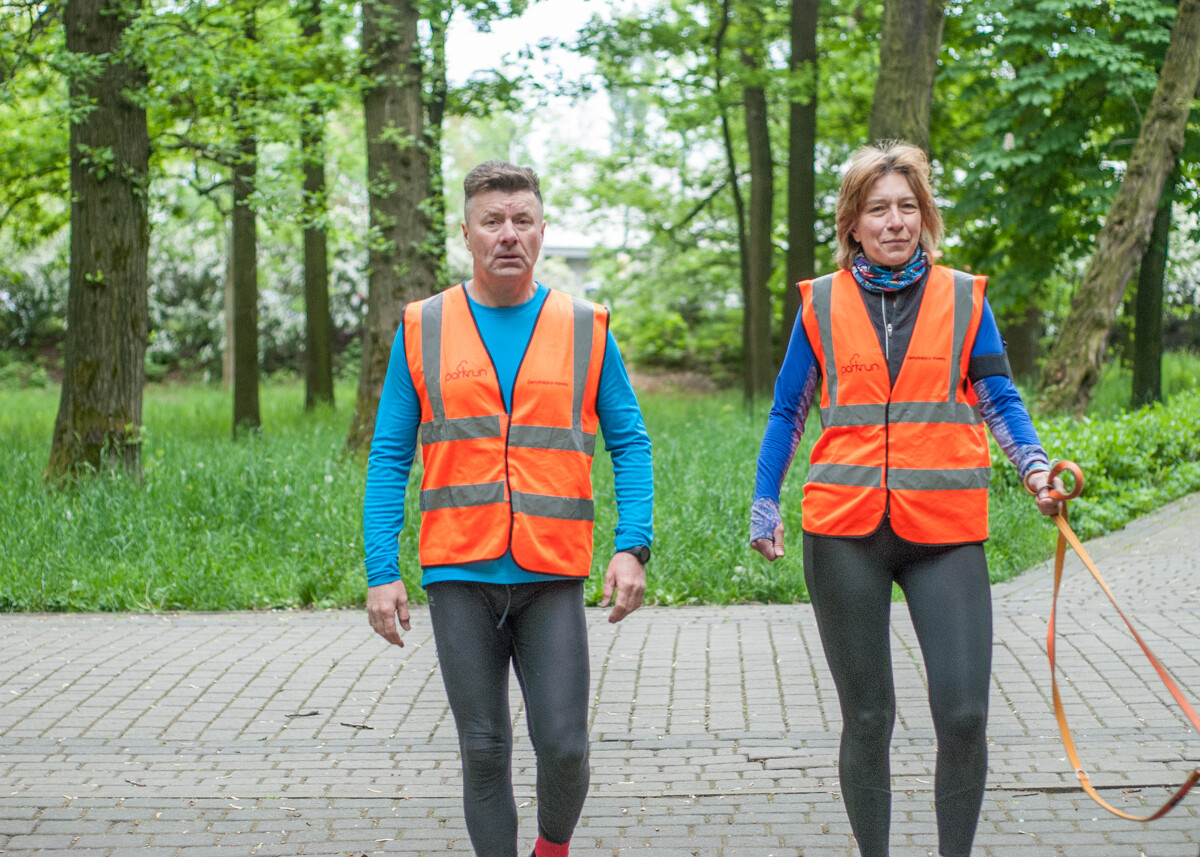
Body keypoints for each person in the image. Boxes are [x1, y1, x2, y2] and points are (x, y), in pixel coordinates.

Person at [750, 141, 1063, 857]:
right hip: (843, 533)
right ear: (852, 223)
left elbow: (999, 396)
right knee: (867, 718)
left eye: (907, 207)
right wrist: (765, 501)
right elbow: (787, 411)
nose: (895, 222)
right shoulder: (820, 304)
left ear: (926, 217)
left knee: (962, 714)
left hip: (944, 533)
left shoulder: (963, 297)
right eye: (877, 209)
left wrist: (1036, 467)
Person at [363, 160, 653, 857]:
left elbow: (631, 442)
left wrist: (630, 543)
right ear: (467, 233)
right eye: (492, 221)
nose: (508, 234)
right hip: (459, 571)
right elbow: (388, 456)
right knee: (485, 748)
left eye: (522, 219)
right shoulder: (423, 327)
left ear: (543, 230)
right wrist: (381, 568)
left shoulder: (585, 328)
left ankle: (552, 848)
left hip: (551, 573)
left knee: (563, 745)